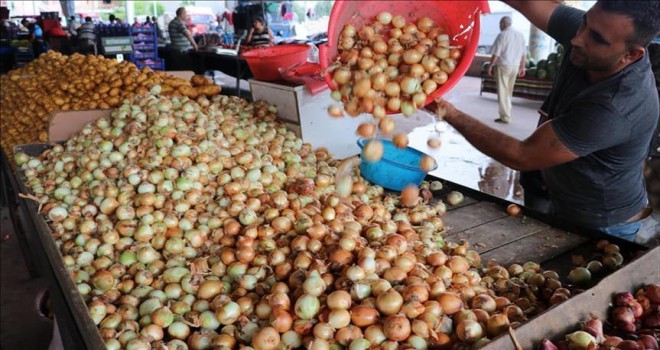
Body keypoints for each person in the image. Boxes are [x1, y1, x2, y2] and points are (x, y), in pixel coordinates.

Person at [432, 1, 660, 242]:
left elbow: (522, 154)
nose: (577, 39)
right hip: (565, 199)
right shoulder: (593, 29)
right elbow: (528, 2)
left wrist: (450, 113)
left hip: (605, 223)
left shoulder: (616, 106)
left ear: (631, 55)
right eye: (584, 22)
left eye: (596, 38)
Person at [487, 16, 527, 124]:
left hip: (503, 65)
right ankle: (507, 113)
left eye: (500, 24)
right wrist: (522, 67)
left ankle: (505, 117)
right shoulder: (520, 35)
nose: (499, 26)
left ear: (504, 24)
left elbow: (496, 53)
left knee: (502, 91)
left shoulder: (502, 35)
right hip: (515, 66)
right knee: (508, 91)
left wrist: (490, 66)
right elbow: (524, 54)